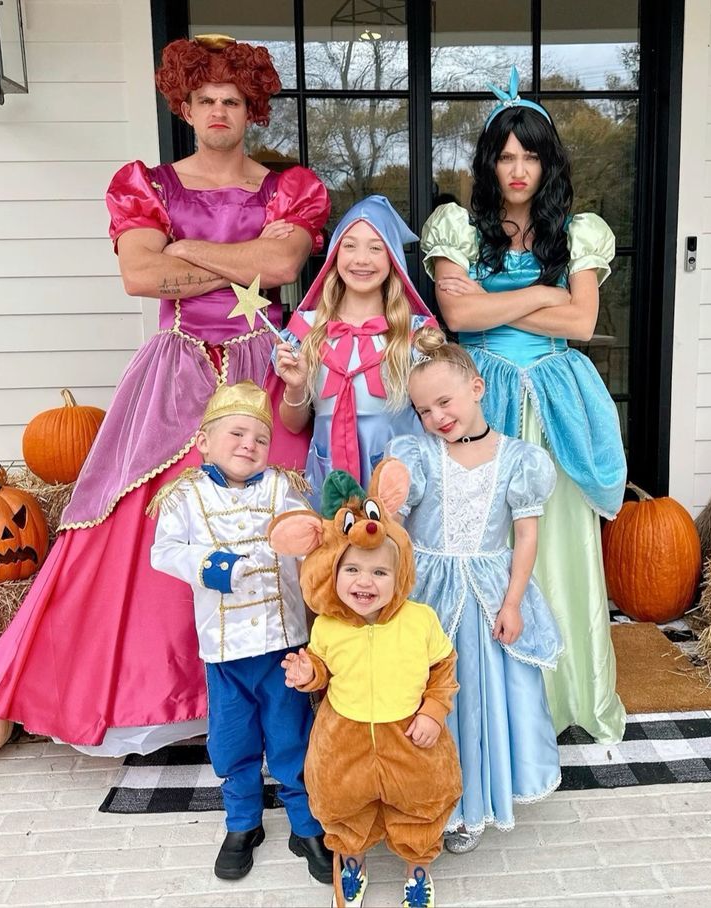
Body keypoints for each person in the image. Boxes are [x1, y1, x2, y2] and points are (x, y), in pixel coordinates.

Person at [0, 34, 330, 756]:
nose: (218, 111)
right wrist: (232, 265)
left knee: (282, 521)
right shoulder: (145, 183)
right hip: (173, 371)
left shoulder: (289, 188)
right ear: (182, 105)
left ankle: (288, 689)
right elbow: (140, 277)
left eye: (232, 101)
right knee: (144, 528)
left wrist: (185, 249)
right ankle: (166, 695)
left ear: (252, 109)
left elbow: (279, 262)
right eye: (204, 99)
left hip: (263, 373)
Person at [420, 66, 627, 745]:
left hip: (554, 404)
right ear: (488, 162)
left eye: (530, 154)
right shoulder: (458, 226)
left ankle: (562, 691)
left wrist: (497, 308)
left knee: (553, 543)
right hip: (483, 398)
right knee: (486, 540)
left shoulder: (576, 231)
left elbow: (579, 326)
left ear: (547, 162)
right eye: (504, 155)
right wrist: (544, 295)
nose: (517, 168)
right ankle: (490, 701)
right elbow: (456, 312)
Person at [386, 327, 562, 855]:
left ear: (477, 389)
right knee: (426, 696)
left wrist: (512, 602)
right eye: (423, 410)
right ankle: (424, 797)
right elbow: (394, 518)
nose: (437, 417)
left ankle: (473, 805)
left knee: (478, 700)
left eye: (445, 401)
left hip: (488, 596)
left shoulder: (518, 459)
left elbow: (525, 535)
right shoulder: (416, 454)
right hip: (429, 598)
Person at [148, 381, 332, 884]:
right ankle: (243, 823)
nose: (249, 444)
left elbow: (307, 542)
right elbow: (162, 552)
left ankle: (305, 823)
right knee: (232, 742)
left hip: (283, 645)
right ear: (203, 440)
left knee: (291, 737)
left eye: (259, 437)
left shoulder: (283, 488)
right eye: (237, 433)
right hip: (225, 650)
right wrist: (213, 563)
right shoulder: (184, 495)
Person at [269, 461, 462, 908]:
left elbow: (444, 668)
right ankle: (351, 862)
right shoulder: (329, 627)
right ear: (332, 575)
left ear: (399, 577)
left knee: (420, 804)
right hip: (345, 738)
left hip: (410, 736)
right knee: (342, 805)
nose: (365, 582)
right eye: (352, 570)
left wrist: (434, 712)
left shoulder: (419, 621)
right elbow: (322, 667)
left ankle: (418, 869)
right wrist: (308, 673)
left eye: (379, 573)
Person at [267, 195, 437, 506]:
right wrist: (295, 386)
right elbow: (292, 424)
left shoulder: (415, 334)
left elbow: (437, 417)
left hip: (398, 481)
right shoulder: (305, 331)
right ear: (334, 254)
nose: (361, 259)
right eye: (350, 245)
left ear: (393, 258)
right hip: (327, 477)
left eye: (375, 247)